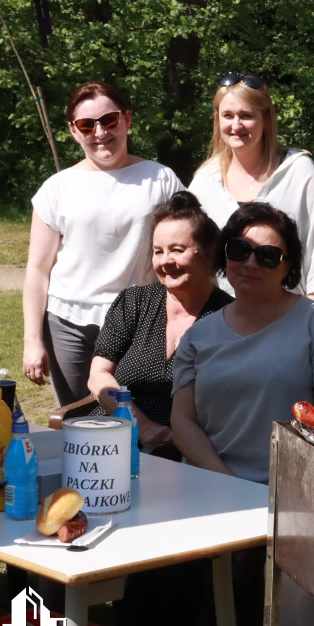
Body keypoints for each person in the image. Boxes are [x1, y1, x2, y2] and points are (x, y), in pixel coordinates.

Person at [171, 202, 314, 626]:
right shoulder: (199, 336)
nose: (249, 263)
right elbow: (183, 423)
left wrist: (267, 497)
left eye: (268, 255)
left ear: (289, 267)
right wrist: (230, 487)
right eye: (240, 249)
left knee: (249, 593)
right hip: (211, 486)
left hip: (289, 494)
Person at [23, 81, 185, 406]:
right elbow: (38, 271)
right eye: (87, 124)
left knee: (138, 419)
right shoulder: (57, 188)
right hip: (69, 326)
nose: (100, 132)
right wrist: (33, 341)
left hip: (139, 321)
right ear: (73, 131)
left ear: (127, 119)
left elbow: (190, 249)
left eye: (109, 120)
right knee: (77, 423)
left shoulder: (161, 180)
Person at [86, 190, 232, 455]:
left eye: (177, 250)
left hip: (184, 448)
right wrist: (139, 425)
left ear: (209, 254)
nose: (165, 261)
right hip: (112, 433)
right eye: (158, 251)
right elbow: (98, 376)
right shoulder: (135, 302)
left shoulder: (228, 317)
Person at [188, 72, 314, 306]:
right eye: (228, 115)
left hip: (290, 321)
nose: (236, 125)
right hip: (223, 323)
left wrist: (311, 325)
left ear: (266, 120)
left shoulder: (299, 173)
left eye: (246, 115)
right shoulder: (205, 181)